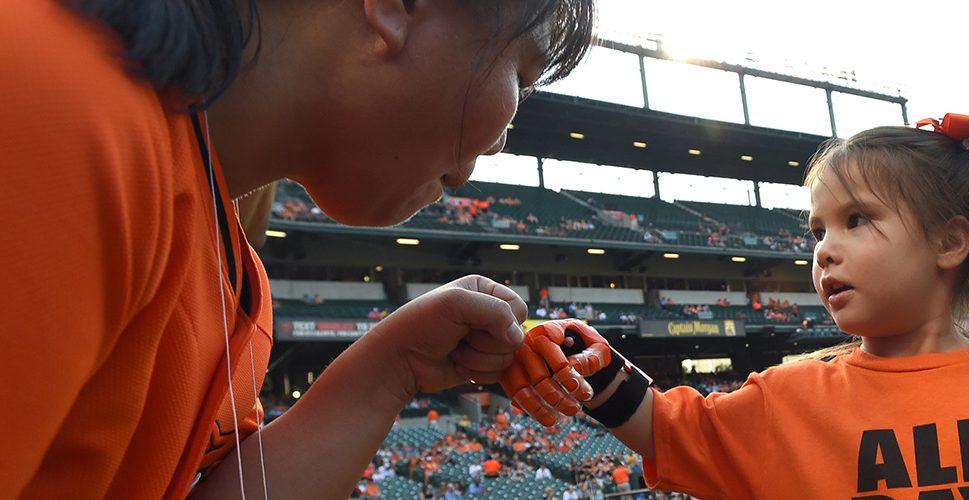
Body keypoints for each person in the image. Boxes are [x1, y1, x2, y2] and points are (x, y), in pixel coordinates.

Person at [0, 0, 594, 497]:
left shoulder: (233, 262)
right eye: (522, 77)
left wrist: (392, 367)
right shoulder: (59, 101)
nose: (498, 144)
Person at [501, 113, 969, 497]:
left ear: (949, 242)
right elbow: (663, 427)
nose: (824, 251)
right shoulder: (784, 399)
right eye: (817, 231)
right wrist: (577, 355)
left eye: (856, 220)